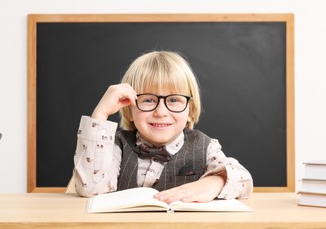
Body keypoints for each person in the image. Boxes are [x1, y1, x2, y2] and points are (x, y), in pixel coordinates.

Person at [73, 51, 253, 203]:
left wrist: (215, 182)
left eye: (174, 100)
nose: (160, 112)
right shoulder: (116, 146)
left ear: (190, 109)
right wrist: (100, 115)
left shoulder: (205, 146)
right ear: (129, 109)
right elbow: (90, 189)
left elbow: (243, 180)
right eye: (148, 100)